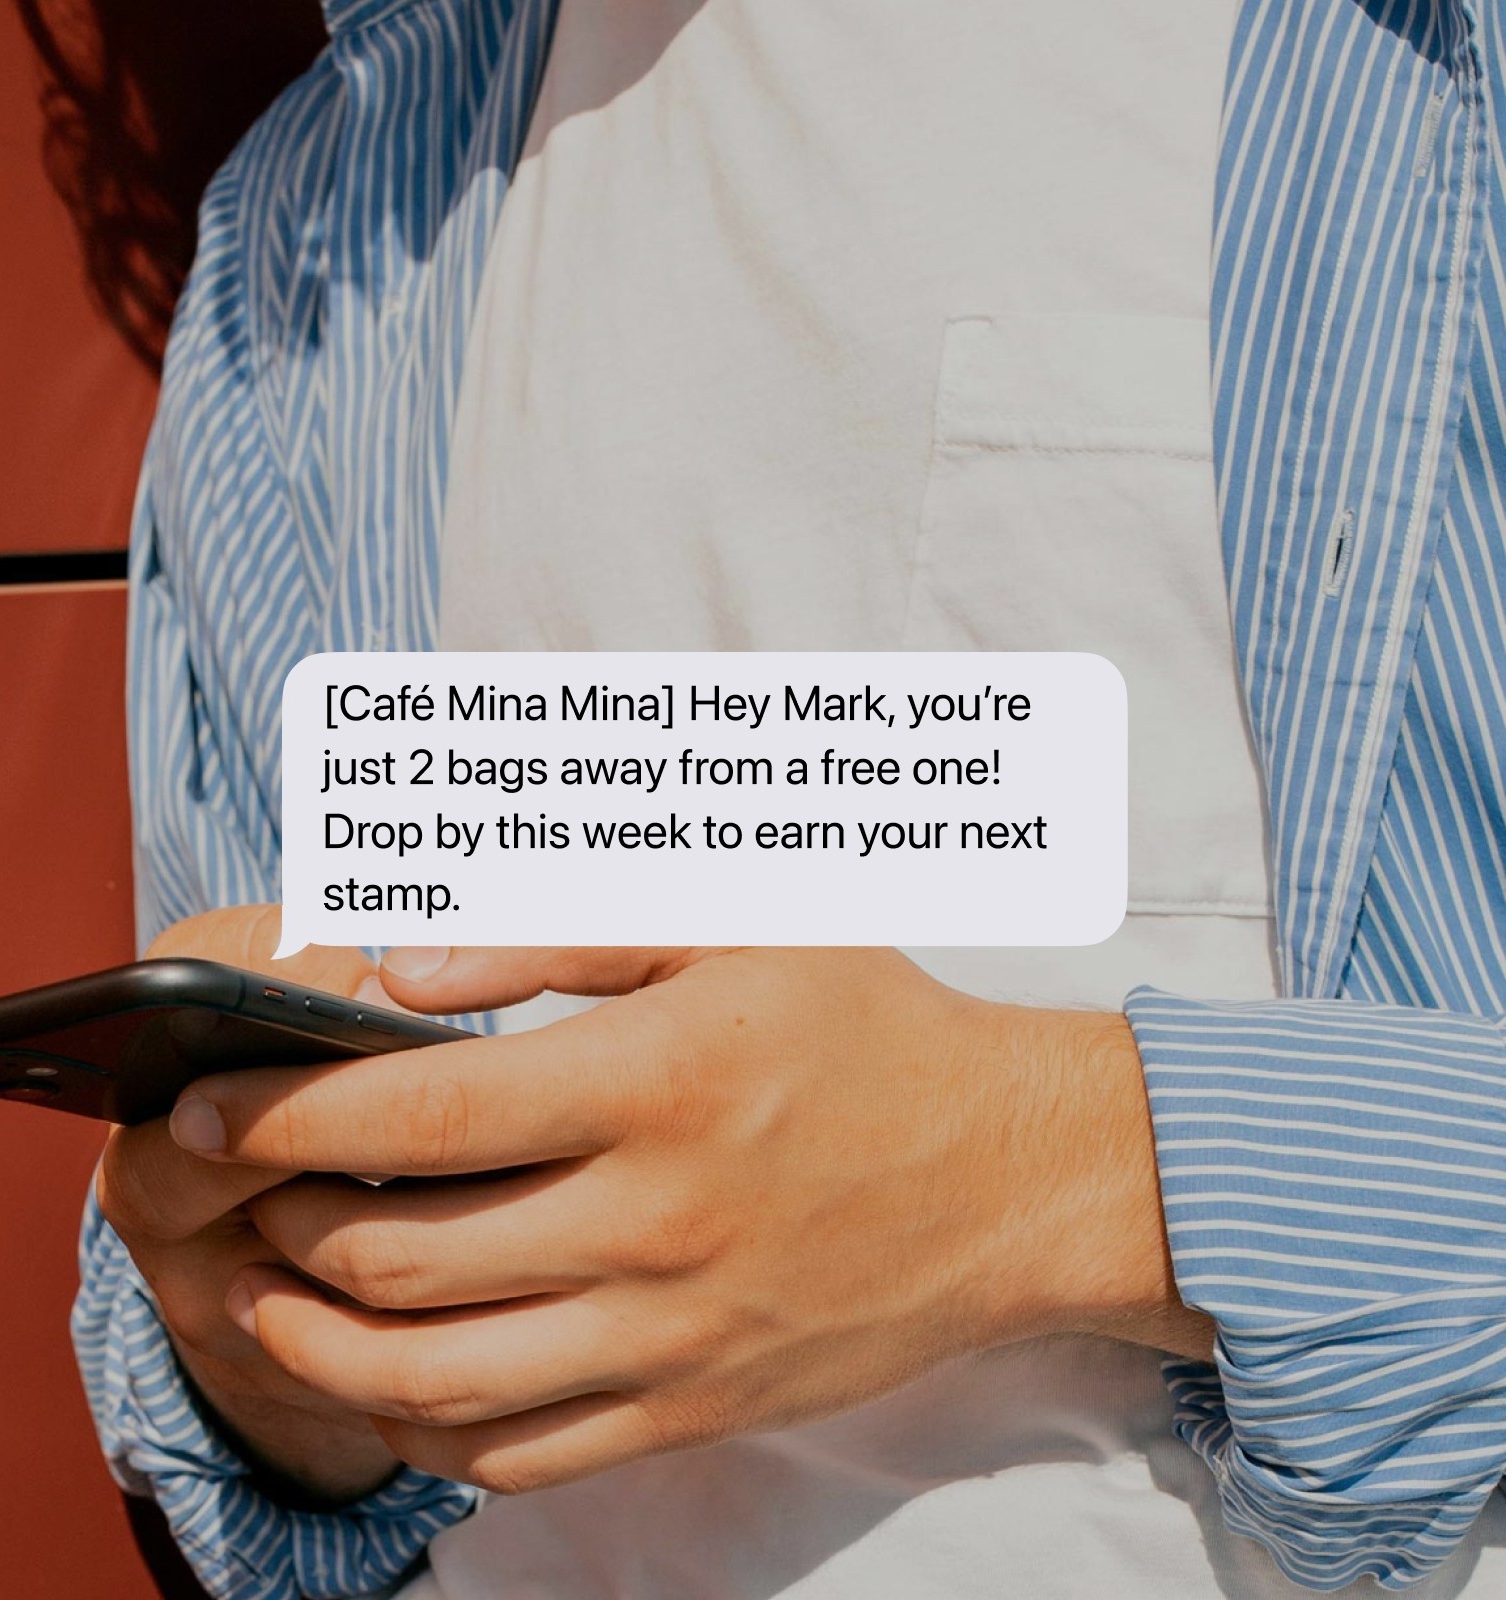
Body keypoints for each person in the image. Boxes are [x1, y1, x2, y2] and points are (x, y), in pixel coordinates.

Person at [77, 1, 1506, 1596]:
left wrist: (1058, 1172)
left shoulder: (1426, 68)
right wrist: (277, 1347)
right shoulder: (324, 230)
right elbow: (290, 1485)